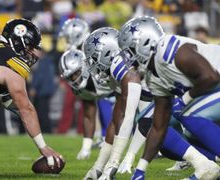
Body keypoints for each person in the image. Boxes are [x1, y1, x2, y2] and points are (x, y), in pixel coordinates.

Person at [118, 16, 220, 179]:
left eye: (130, 51)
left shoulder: (170, 49)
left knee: (187, 112)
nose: (128, 60)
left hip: (215, 85)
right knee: (154, 122)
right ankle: (207, 164)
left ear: (145, 42)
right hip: (212, 94)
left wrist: (184, 99)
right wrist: (140, 170)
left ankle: (207, 166)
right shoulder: (153, 77)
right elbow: (159, 125)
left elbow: (211, 77)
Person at [0, 18, 63, 168]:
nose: (33, 53)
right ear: (18, 42)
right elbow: (26, 109)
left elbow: (5, 98)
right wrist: (43, 147)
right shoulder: (14, 65)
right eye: (30, 47)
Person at [80, 27, 142, 179]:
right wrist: (98, 167)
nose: (93, 64)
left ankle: (202, 165)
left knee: (162, 137)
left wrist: (113, 164)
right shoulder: (116, 71)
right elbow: (116, 121)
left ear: (108, 52)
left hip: (176, 100)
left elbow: (129, 117)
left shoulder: (122, 66)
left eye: (94, 57)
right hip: (161, 104)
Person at [59, 49, 114, 160]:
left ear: (84, 66)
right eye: (70, 76)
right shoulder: (78, 89)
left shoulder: (103, 69)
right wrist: (86, 148)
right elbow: (89, 115)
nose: (74, 79)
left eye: (76, 73)